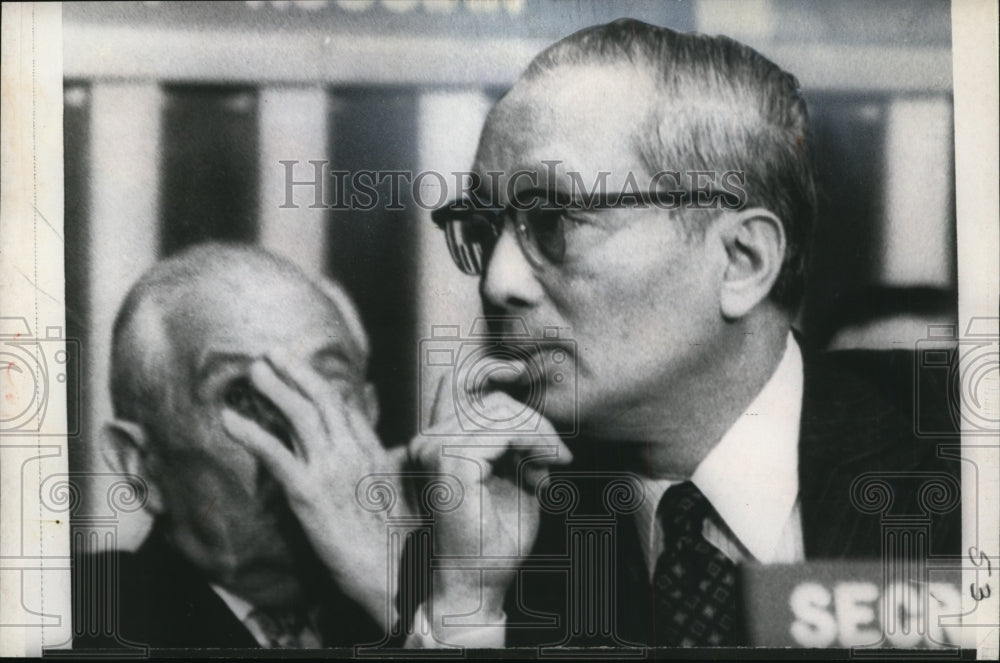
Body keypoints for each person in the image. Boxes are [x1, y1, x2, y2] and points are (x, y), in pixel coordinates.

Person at [413, 18, 961, 648]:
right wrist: (468, 605)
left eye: (553, 221)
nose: (496, 281)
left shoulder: (968, 452)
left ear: (742, 262)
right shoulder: (494, 512)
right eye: (485, 229)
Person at [72, 243, 399, 650]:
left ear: (370, 415)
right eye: (244, 397)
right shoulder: (77, 620)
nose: (299, 431)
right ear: (140, 464)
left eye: (326, 391)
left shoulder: (451, 602)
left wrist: (393, 594)